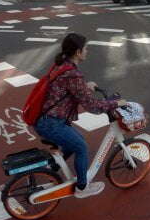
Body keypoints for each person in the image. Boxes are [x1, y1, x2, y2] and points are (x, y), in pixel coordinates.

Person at [34, 33, 127, 198]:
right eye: (86, 48)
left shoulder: (62, 64)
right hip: (52, 123)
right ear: (78, 52)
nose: (87, 51)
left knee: (74, 143)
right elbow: (93, 107)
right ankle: (82, 188)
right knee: (81, 147)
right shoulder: (73, 74)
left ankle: (50, 171)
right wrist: (116, 103)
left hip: (46, 118)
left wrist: (85, 86)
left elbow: (66, 87)